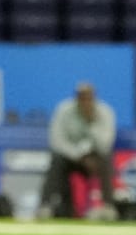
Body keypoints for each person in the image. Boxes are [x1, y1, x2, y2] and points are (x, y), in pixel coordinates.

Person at [40, 82, 118, 220]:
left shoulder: (105, 112)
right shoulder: (64, 110)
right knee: (56, 160)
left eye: (89, 98)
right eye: (82, 98)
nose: (85, 101)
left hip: (95, 157)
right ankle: (46, 206)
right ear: (76, 98)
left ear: (94, 98)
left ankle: (108, 207)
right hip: (71, 157)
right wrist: (79, 156)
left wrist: (91, 123)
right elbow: (57, 142)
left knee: (106, 159)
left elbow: (105, 144)